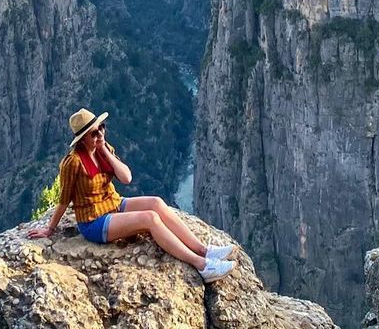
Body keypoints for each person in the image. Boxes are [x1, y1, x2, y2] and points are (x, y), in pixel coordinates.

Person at [28, 108, 236, 283]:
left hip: (114, 205)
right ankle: (201, 266)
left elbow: (126, 177)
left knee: (156, 203)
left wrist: (104, 150)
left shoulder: (103, 149)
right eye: (93, 133)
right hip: (94, 222)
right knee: (150, 219)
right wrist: (50, 229)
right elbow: (64, 200)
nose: (99, 134)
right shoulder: (72, 163)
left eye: (101, 128)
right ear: (82, 140)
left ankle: (203, 250)